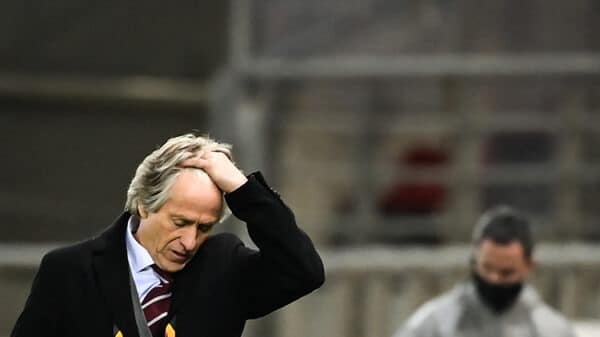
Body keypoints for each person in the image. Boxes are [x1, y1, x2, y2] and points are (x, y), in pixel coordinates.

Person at [12, 134, 325, 337]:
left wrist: (243, 189)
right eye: (180, 222)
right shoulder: (70, 271)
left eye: (204, 227)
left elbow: (303, 271)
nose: (189, 242)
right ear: (145, 206)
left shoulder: (224, 266)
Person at [392, 206, 575, 337]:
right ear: (474, 260)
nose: (494, 279)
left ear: (529, 266)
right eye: (487, 269)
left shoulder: (550, 330)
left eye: (506, 273)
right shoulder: (437, 323)